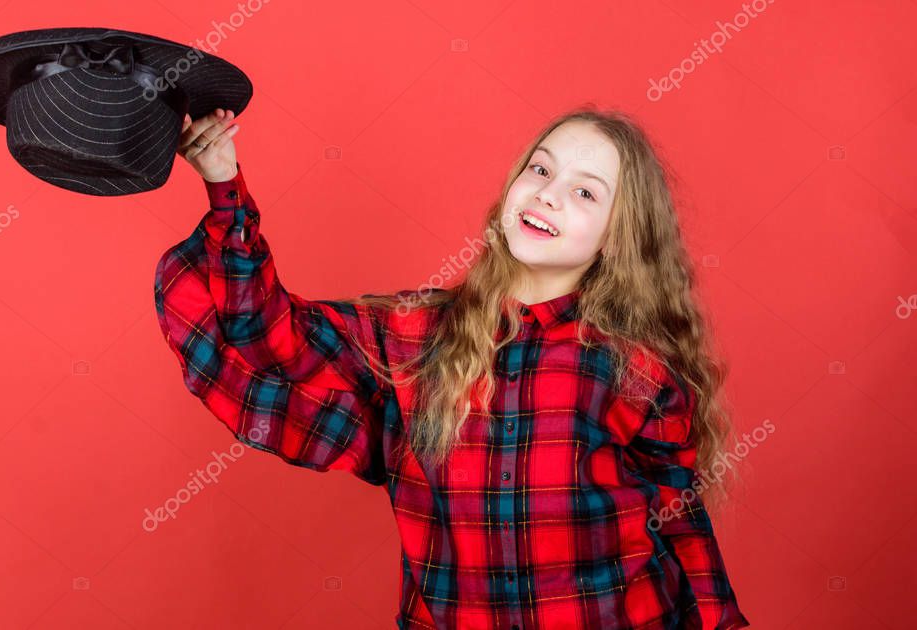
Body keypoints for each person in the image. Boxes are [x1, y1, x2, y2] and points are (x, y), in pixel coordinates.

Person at [154, 105, 750, 629]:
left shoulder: (636, 369)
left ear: (619, 238)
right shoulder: (411, 336)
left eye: (585, 192)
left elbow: (679, 520)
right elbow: (265, 334)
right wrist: (223, 179)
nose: (547, 193)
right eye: (540, 170)